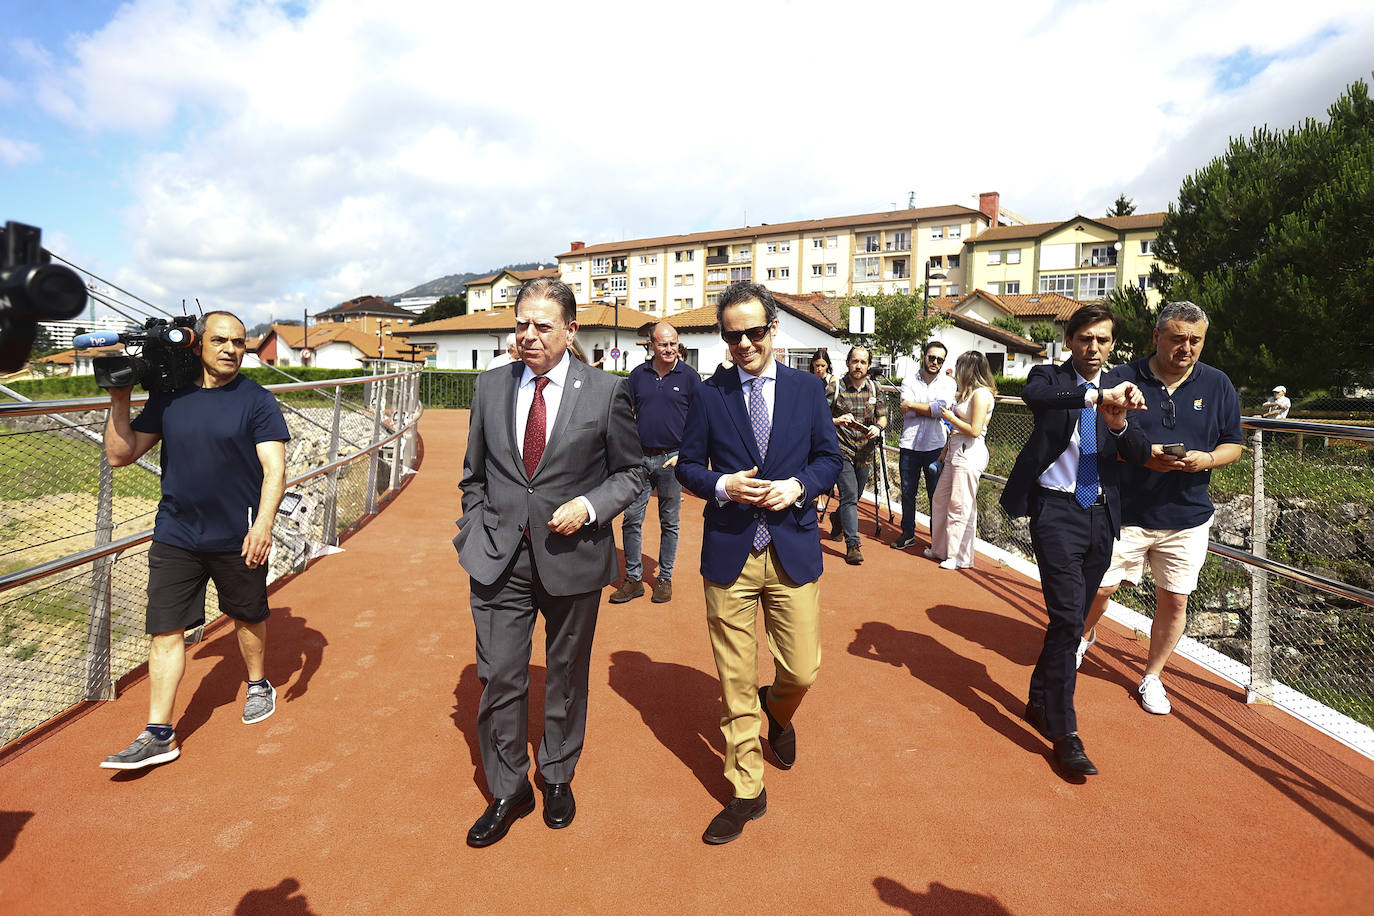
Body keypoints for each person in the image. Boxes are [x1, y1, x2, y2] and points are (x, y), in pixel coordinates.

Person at [454, 278, 645, 847]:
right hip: (498, 558)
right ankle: (509, 789)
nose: (528, 335)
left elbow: (633, 474)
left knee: (565, 675)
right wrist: (475, 526)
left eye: (541, 325)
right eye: (521, 324)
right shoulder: (490, 387)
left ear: (570, 330)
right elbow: (473, 474)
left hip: (573, 557)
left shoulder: (607, 392)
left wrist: (589, 506)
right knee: (498, 677)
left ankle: (557, 774)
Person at [676, 281, 841, 844]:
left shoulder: (806, 390)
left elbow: (829, 458)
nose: (743, 343)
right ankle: (747, 788)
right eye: (731, 335)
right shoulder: (708, 392)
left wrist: (798, 487)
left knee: (802, 668)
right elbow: (687, 467)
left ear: (773, 330)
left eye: (752, 332)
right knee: (735, 679)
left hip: (793, 546)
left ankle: (781, 708)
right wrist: (723, 484)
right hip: (729, 553)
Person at [99, 311, 290, 770]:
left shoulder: (257, 400)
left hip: (237, 534)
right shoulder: (169, 397)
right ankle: (159, 733)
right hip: (176, 533)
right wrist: (120, 398)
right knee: (166, 630)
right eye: (220, 340)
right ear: (200, 345)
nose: (230, 349)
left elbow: (275, 470)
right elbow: (119, 454)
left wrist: (262, 525)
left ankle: (258, 682)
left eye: (239, 342)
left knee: (247, 617)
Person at [999, 303, 1150, 777]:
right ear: (1070, 340)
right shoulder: (1050, 377)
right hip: (1056, 512)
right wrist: (1094, 398)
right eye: (1086, 338)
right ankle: (1065, 732)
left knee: (1070, 623)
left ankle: (1039, 699)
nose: (1094, 348)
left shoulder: (1122, 390)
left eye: (1103, 340)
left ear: (1112, 344)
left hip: (1100, 514)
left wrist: (1118, 420)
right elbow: (1039, 397)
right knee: (1067, 618)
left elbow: (1141, 452)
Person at [1076, 301, 1242, 716]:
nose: (1186, 347)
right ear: (1157, 337)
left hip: (1186, 516)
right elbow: (1094, 440)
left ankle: (1152, 675)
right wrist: (1140, 454)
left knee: (1176, 601)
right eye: (1177, 338)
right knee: (1100, 588)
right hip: (1125, 510)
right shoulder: (1121, 378)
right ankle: (1082, 636)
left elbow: (1233, 445)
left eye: (1195, 340)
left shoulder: (1218, 384)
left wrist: (1206, 460)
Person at [610, 321, 701, 604]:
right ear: (652, 345)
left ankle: (664, 579)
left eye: (673, 343)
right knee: (631, 520)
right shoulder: (638, 376)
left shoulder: (690, 377)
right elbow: (625, 414)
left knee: (669, 522)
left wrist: (684, 453)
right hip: (640, 459)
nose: (670, 349)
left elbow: (700, 421)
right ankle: (634, 579)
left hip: (672, 460)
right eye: (663, 344)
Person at [924, 351, 996, 570]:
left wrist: (950, 418)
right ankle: (940, 548)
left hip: (969, 452)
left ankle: (959, 556)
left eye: (959, 366)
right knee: (941, 499)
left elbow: (975, 430)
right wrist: (945, 451)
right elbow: (957, 428)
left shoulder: (981, 395)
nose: (956, 371)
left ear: (968, 369)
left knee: (960, 504)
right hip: (956, 449)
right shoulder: (967, 394)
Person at [828, 346, 888, 564]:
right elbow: (818, 416)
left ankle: (838, 518)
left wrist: (878, 429)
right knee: (850, 495)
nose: (858, 366)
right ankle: (853, 544)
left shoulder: (875, 389)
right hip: (841, 450)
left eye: (863, 362)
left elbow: (882, 417)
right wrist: (836, 421)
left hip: (865, 452)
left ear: (869, 366)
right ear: (847, 363)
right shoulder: (835, 387)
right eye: (855, 361)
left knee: (854, 496)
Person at [894, 340, 957, 551]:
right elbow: (905, 410)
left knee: (935, 495)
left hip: (936, 446)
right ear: (924, 356)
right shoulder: (908, 380)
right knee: (907, 491)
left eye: (940, 359)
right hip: (909, 444)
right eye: (932, 357)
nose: (935, 362)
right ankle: (908, 533)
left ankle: (936, 537)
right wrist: (929, 409)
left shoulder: (949, 383)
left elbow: (941, 410)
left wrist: (914, 405)